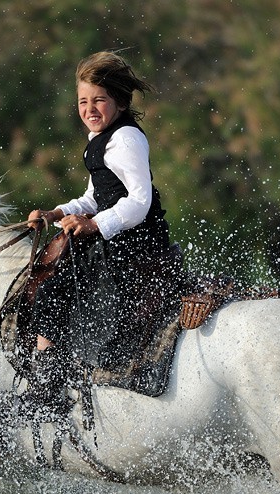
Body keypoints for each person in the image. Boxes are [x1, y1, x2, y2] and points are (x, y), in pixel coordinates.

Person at [20, 51, 172, 420]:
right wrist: (58, 212)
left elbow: (140, 199)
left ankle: (47, 384)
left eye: (99, 100)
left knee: (54, 289)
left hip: (134, 242)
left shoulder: (127, 140)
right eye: (83, 101)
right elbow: (94, 196)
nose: (89, 108)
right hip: (113, 237)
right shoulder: (99, 138)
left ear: (119, 102)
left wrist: (94, 225)